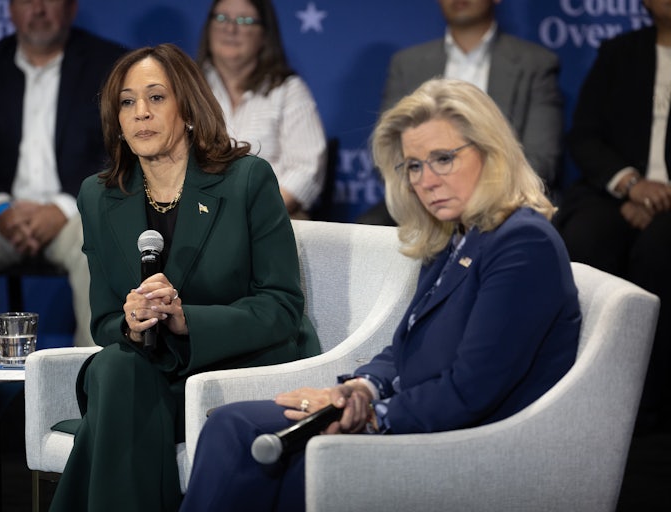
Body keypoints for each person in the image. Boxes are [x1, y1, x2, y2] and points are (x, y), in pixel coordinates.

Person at [179, 78, 582, 512]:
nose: (426, 181)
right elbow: (405, 348)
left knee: (293, 456)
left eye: (443, 159)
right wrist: (361, 389)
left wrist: (372, 417)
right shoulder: (456, 233)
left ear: (491, 153)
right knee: (231, 422)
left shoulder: (523, 244)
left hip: (467, 439)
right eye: (414, 166)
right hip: (415, 412)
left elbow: (471, 391)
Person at [48, 43, 320, 511]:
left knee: (115, 382)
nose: (141, 114)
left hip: (233, 369)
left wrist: (185, 320)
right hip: (145, 372)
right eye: (127, 102)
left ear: (188, 107)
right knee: (118, 364)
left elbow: (281, 306)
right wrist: (132, 323)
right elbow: (104, 322)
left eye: (156, 98)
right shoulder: (99, 195)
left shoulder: (247, 180)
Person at [0, 0, 124, 349]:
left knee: (98, 241)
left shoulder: (106, 61)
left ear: (71, 8)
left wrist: (63, 207)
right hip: (4, 213)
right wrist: (0, 209)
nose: (38, 8)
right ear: (10, 9)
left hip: (75, 210)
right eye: (26, 0)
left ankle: (92, 379)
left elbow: (114, 150)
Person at [555, 0, 671, 433]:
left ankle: (648, 406)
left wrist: (661, 199)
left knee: (659, 252)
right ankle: (580, 386)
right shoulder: (619, 52)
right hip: (617, 192)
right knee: (586, 237)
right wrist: (631, 186)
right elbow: (584, 136)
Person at [357, 0, 563, 225]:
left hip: (503, 200)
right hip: (422, 205)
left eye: (445, 158)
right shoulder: (407, 64)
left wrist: (476, 198)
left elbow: (541, 159)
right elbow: (391, 156)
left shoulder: (535, 63)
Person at [197, 0, 327, 219]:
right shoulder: (188, 88)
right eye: (221, 18)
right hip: (199, 215)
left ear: (264, 35)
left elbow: (306, 170)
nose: (230, 28)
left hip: (268, 216)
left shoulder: (288, 90)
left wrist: (255, 214)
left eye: (245, 20)